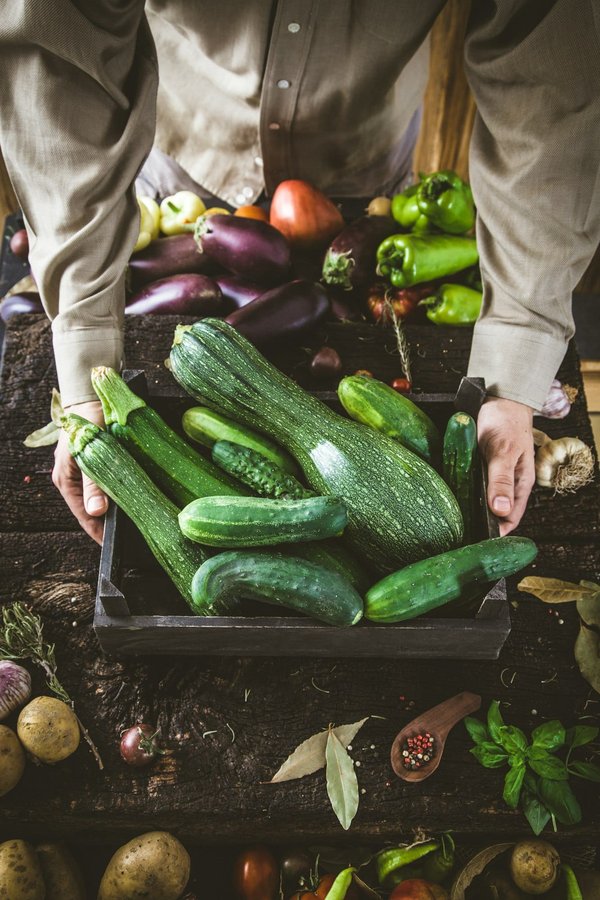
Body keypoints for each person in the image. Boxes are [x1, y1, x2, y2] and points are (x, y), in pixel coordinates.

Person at [1, 1, 598, 545]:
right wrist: (84, 363)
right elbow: (57, 64)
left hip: (365, 178)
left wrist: (515, 366)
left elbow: (550, 81)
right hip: (183, 159)